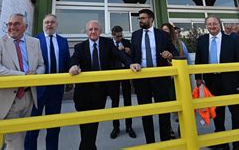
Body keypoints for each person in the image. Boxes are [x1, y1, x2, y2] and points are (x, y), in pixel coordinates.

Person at [69, 20, 137, 150]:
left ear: (100, 31)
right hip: (83, 92)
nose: (93, 31)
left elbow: (120, 55)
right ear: (86, 32)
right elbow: (74, 59)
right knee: (84, 123)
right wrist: (72, 66)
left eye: (96, 29)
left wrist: (130, 63)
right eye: (90, 29)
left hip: (100, 91)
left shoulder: (107, 43)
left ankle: (86, 147)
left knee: (93, 122)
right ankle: (88, 146)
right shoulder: (80, 47)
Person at [0, 13, 45, 150]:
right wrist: (24, 75)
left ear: (25, 27)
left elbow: (42, 64)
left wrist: (36, 74)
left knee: (23, 135)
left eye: (16, 24)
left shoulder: (34, 42)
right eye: (9, 24)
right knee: (15, 141)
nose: (12, 27)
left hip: (29, 97)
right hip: (9, 99)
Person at [195, 15, 239, 150]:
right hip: (212, 82)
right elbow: (199, 60)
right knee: (218, 114)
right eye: (209, 24)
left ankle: (238, 145)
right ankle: (222, 142)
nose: (212, 26)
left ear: (220, 25)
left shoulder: (232, 40)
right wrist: (198, 78)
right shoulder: (202, 40)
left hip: (232, 82)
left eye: (215, 23)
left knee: (236, 114)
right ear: (206, 26)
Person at [130, 9, 178, 144]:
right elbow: (133, 57)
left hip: (160, 78)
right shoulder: (135, 35)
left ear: (151, 19)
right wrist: (132, 63)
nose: (140, 21)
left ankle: (165, 143)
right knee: (146, 113)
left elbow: (173, 51)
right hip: (142, 79)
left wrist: (169, 54)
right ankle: (150, 143)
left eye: (143, 18)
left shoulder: (162, 35)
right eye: (139, 18)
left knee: (164, 112)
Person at [25, 14, 71, 150]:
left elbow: (67, 61)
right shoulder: (34, 40)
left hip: (56, 90)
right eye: (47, 22)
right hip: (37, 90)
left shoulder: (63, 41)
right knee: (33, 126)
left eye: (52, 22)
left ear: (56, 24)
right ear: (43, 24)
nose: (49, 24)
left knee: (53, 126)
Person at [108, 25, 136, 139]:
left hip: (125, 73)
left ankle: (129, 126)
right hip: (114, 74)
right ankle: (116, 127)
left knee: (127, 100)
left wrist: (128, 51)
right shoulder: (108, 44)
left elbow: (133, 55)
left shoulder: (127, 42)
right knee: (114, 102)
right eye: (117, 36)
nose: (120, 37)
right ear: (113, 35)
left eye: (121, 35)